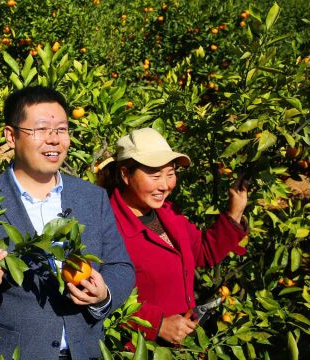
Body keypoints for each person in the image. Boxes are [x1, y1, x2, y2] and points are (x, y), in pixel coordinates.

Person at [0, 86, 135, 360]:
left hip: (86, 350)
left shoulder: (91, 198)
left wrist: (103, 295)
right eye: (40, 130)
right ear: (11, 136)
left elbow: (120, 266)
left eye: (61, 130)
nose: (54, 140)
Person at [107, 127, 249, 345]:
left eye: (170, 174)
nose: (165, 186)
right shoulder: (107, 225)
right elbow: (99, 296)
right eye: (155, 176)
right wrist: (157, 324)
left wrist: (235, 211)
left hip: (182, 344)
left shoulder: (168, 213)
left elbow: (203, 252)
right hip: (137, 348)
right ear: (125, 174)